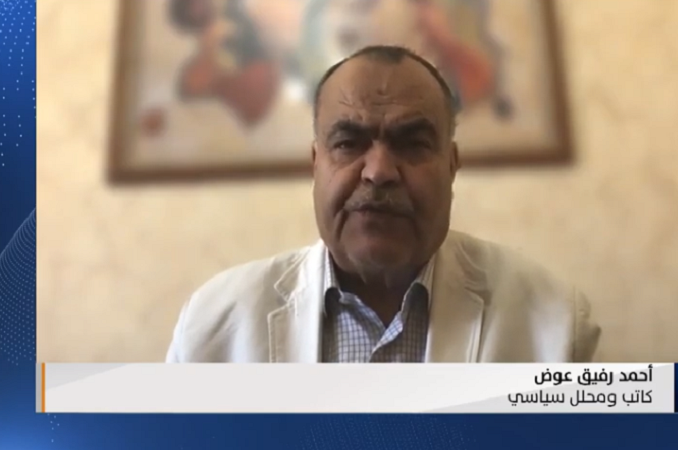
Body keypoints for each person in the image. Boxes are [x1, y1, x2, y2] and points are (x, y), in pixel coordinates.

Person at [166, 45, 601, 363]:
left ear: (452, 166)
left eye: (412, 143)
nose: (378, 172)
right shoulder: (214, 324)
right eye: (348, 143)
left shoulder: (557, 324)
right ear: (316, 164)